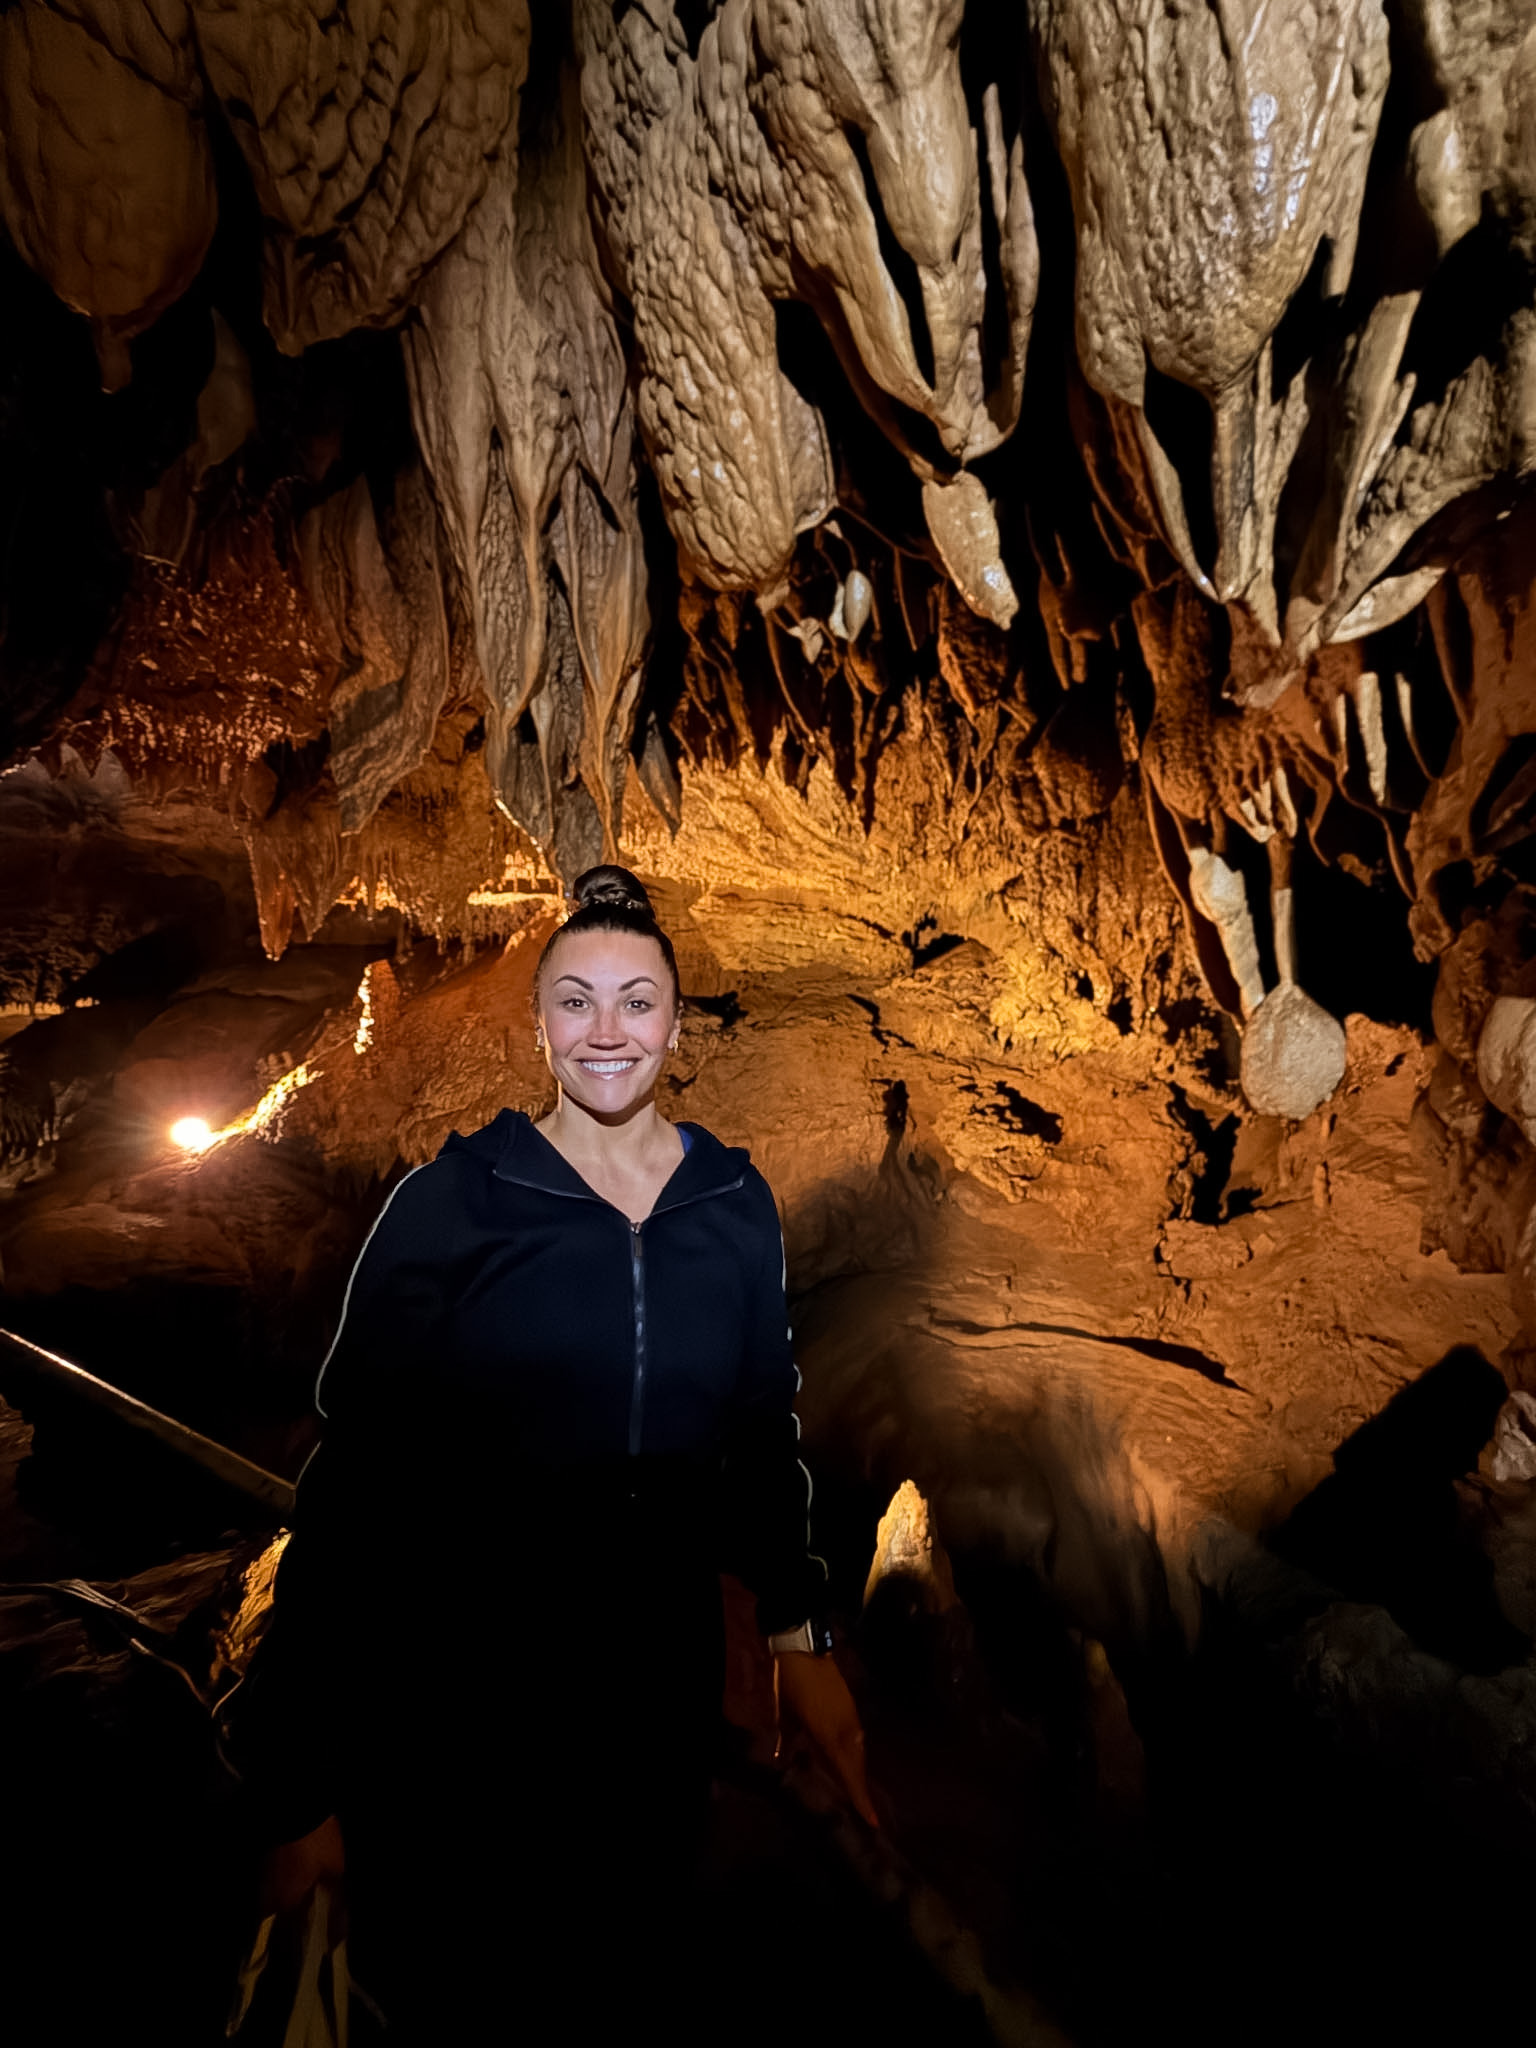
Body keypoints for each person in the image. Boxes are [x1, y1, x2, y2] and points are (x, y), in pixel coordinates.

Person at [232, 865, 874, 2039]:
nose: (607, 1031)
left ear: (676, 1021)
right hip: (464, 1715)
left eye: (637, 1000)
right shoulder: (453, 1203)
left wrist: (800, 1629)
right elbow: (353, 1492)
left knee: (623, 1976)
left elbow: (758, 1431)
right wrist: (293, 1780)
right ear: (539, 1025)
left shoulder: (731, 1203)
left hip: (653, 1713)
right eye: (576, 1000)